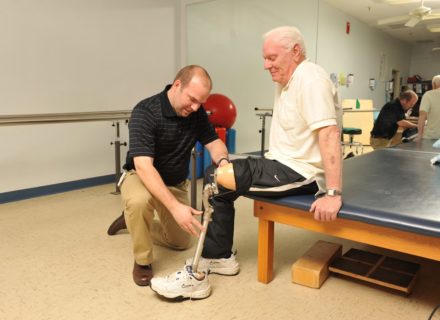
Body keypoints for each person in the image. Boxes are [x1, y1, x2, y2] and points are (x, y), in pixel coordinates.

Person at [150, 26, 343, 300]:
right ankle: (220, 257)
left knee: (217, 181)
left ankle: (197, 275)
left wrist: (333, 193)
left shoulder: (310, 79)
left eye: (272, 58)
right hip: (282, 163)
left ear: (296, 52)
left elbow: (329, 133)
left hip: (304, 173)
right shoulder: (288, 81)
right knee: (218, 173)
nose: (266, 65)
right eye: (265, 58)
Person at [109, 65, 230, 286]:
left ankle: (130, 221)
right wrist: (175, 208)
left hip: (174, 183)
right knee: (139, 201)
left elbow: (215, 144)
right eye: (192, 99)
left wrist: (222, 161)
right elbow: (144, 166)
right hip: (141, 176)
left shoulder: (196, 113)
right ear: (177, 85)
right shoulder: (145, 111)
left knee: (181, 242)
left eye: (200, 103)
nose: (195, 107)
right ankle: (142, 261)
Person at [416, 75, 440, 141]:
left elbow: (422, 117)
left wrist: (419, 135)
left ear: (434, 84)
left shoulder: (428, 95)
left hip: (432, 137)